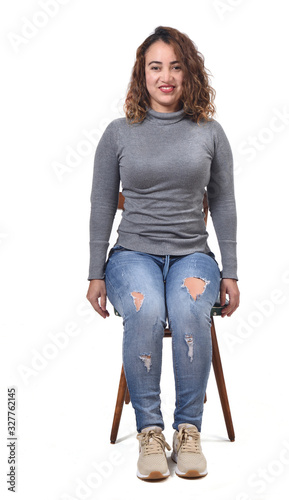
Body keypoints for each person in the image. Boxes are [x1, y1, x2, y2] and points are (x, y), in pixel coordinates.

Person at [86, 26, 240, 481]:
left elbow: (225, 202)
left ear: (189, 72)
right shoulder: (118, 133)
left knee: (192, 309)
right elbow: (100, 204)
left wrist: (230, 271)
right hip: (133, 254)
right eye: (156, 67)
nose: (166, 76)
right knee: (147, 309)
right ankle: (149, 433)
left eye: (175, 66)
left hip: (193, 254)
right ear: (143, 74)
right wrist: (95, 273)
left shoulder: (210, 132)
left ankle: (188, 431)